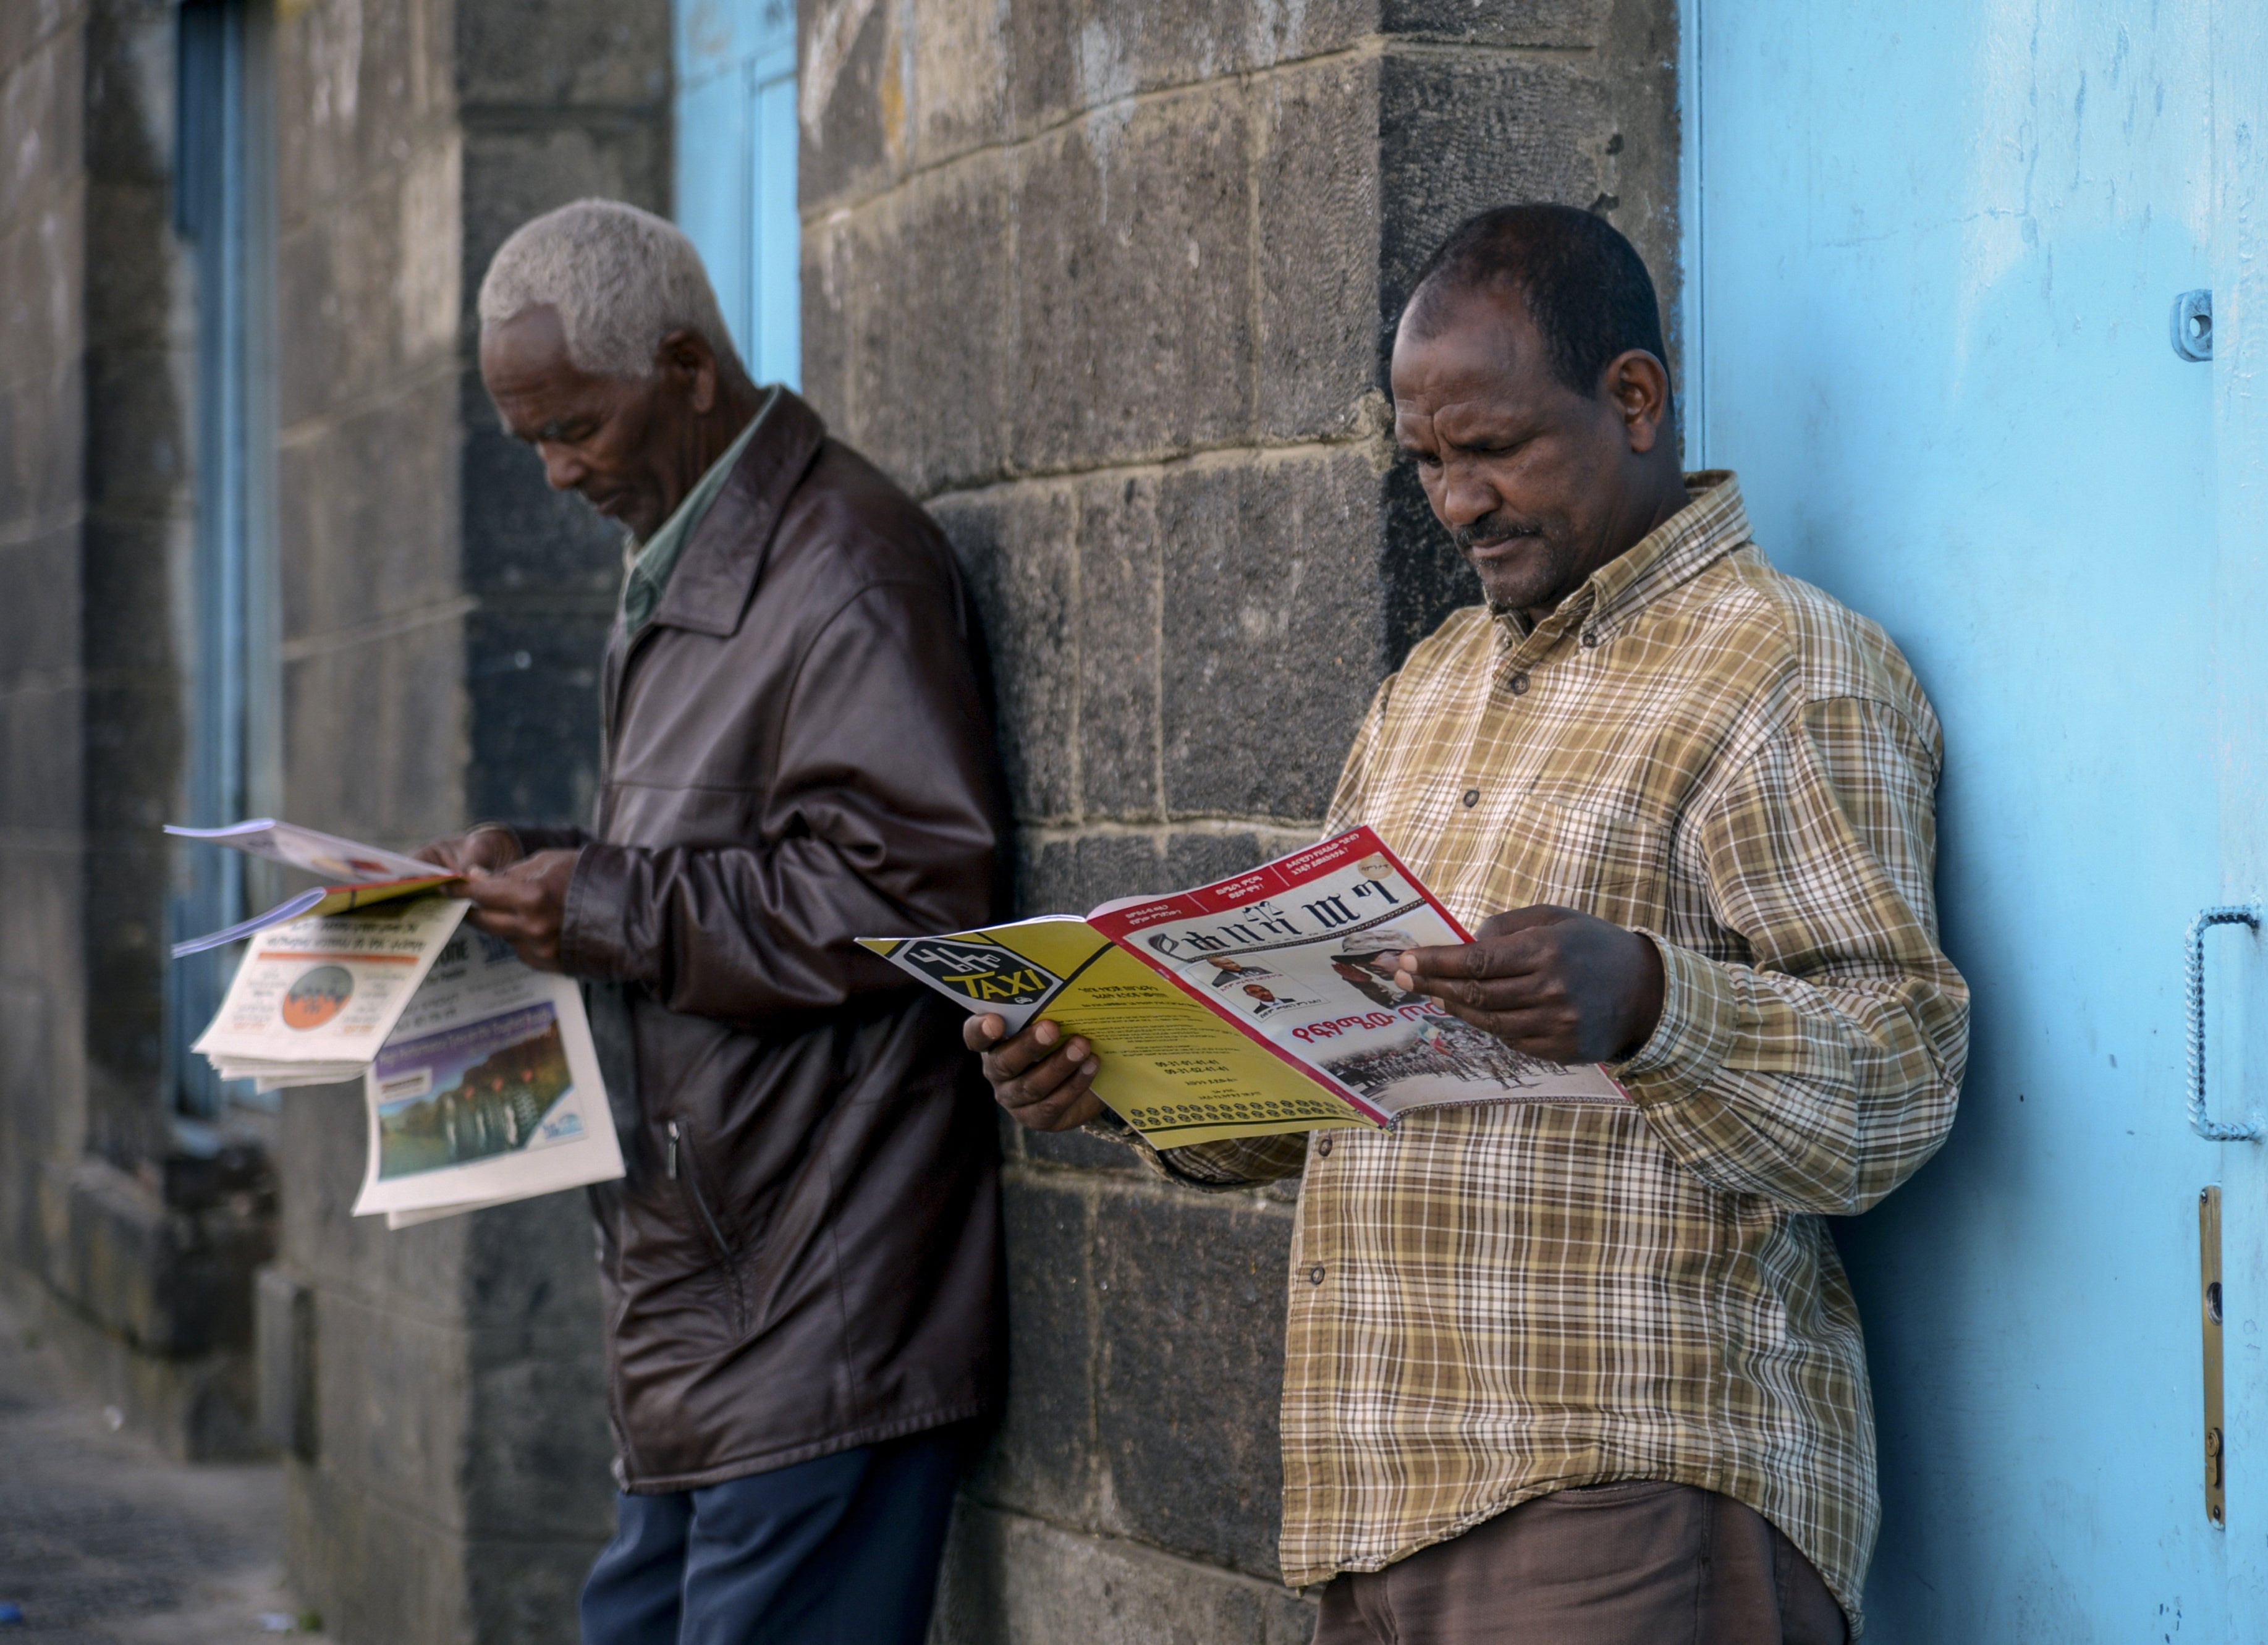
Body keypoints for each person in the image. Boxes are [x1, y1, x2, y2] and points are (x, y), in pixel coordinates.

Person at [970, 203, 1969, 1644]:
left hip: (1619, 1497)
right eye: (1426, 460)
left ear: (1632, 400)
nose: (1454, 500)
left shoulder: (1785, 671)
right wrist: (1121, 1075)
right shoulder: (1431, 682)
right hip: (1371, 1493)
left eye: (1492, 448)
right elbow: (1320, 1055)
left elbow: (1900, 1076)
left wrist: (1649, 1003)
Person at [417, 200, 1007, 1645]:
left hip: (813, 1285)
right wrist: (544, 864)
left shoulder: (846, 562)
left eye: (576, 430)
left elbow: (908, 896)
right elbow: (729, 849)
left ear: (685, 368)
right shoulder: (692, 545)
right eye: (530, 441)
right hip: (712, 1279)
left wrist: (603, 902)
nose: (558, 471)